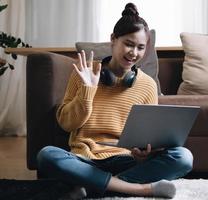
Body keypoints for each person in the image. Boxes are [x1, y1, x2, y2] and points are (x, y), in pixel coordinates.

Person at [36, 3, 193, 199]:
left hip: (126, 159)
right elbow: (67, 124)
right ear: (113, 39)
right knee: (47, 155)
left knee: (183, 157)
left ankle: (92, 186)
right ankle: (140, 189)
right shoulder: (83, 73)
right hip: (85, 158)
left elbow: (148, 137)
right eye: (128, 44)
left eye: (140, 47)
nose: (134, 53)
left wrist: (144, 152)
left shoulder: (147, 85)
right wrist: (88, 90)